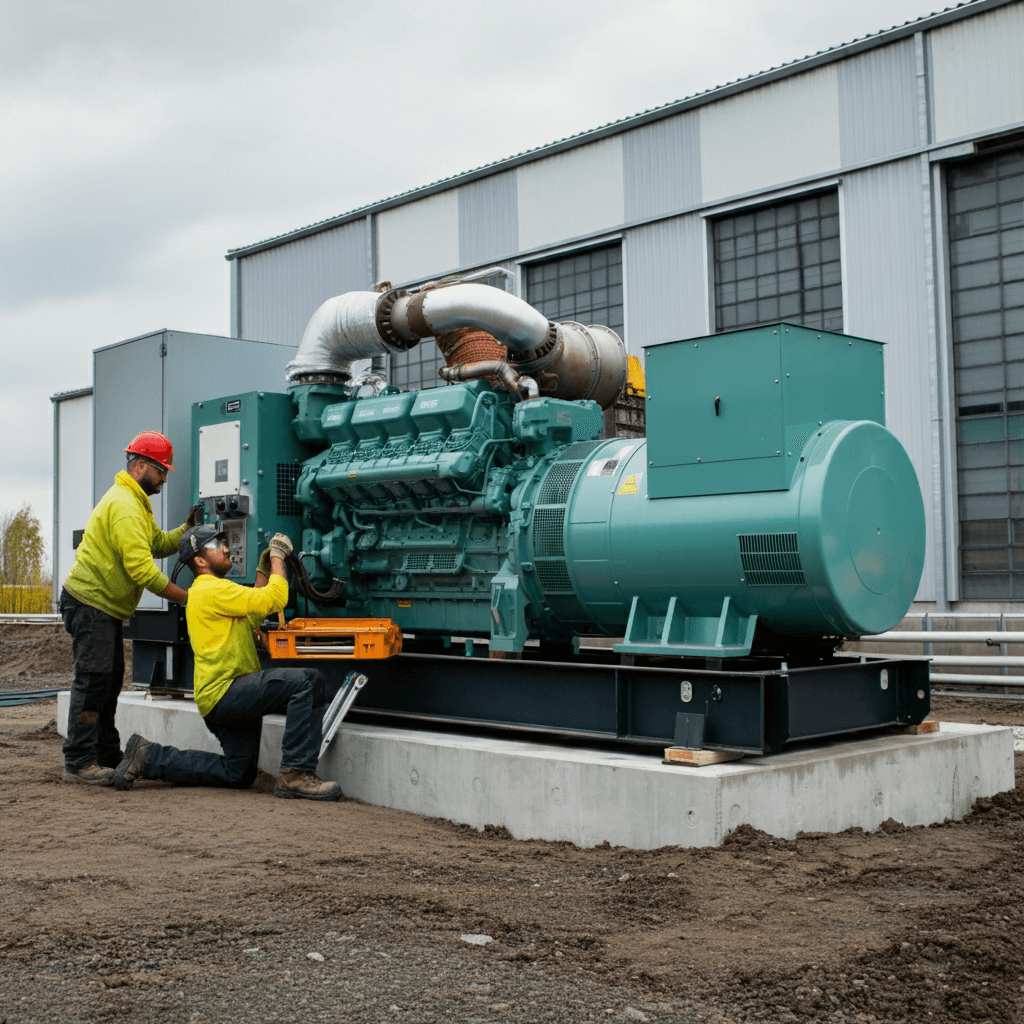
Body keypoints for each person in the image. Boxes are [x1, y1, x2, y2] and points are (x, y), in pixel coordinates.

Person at [113, 524, 341, 801]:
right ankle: (295, 774)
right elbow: (276, 598)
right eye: (217, 544)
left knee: (238, 773)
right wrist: (278, 555)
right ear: (199, 560)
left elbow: (253, 615)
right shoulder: (211, 590)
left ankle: (147, 756)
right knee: (308, 681)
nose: (226, 547)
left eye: (224, 541)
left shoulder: (208, 592)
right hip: (228, 693)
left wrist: (263, 570)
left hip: (218, 699)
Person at [61, 431, 199, 785]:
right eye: (162, 471)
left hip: (102, 608)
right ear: (141, 466)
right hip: (91, 604)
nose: (166, 478)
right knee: (94, 682)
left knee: (107, 684)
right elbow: (142, 569)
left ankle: (106, 755)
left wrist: (186, 530)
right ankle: (79, 761)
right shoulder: (124, 506)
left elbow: (156, 544)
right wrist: (189, 598)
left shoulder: (136, 503)